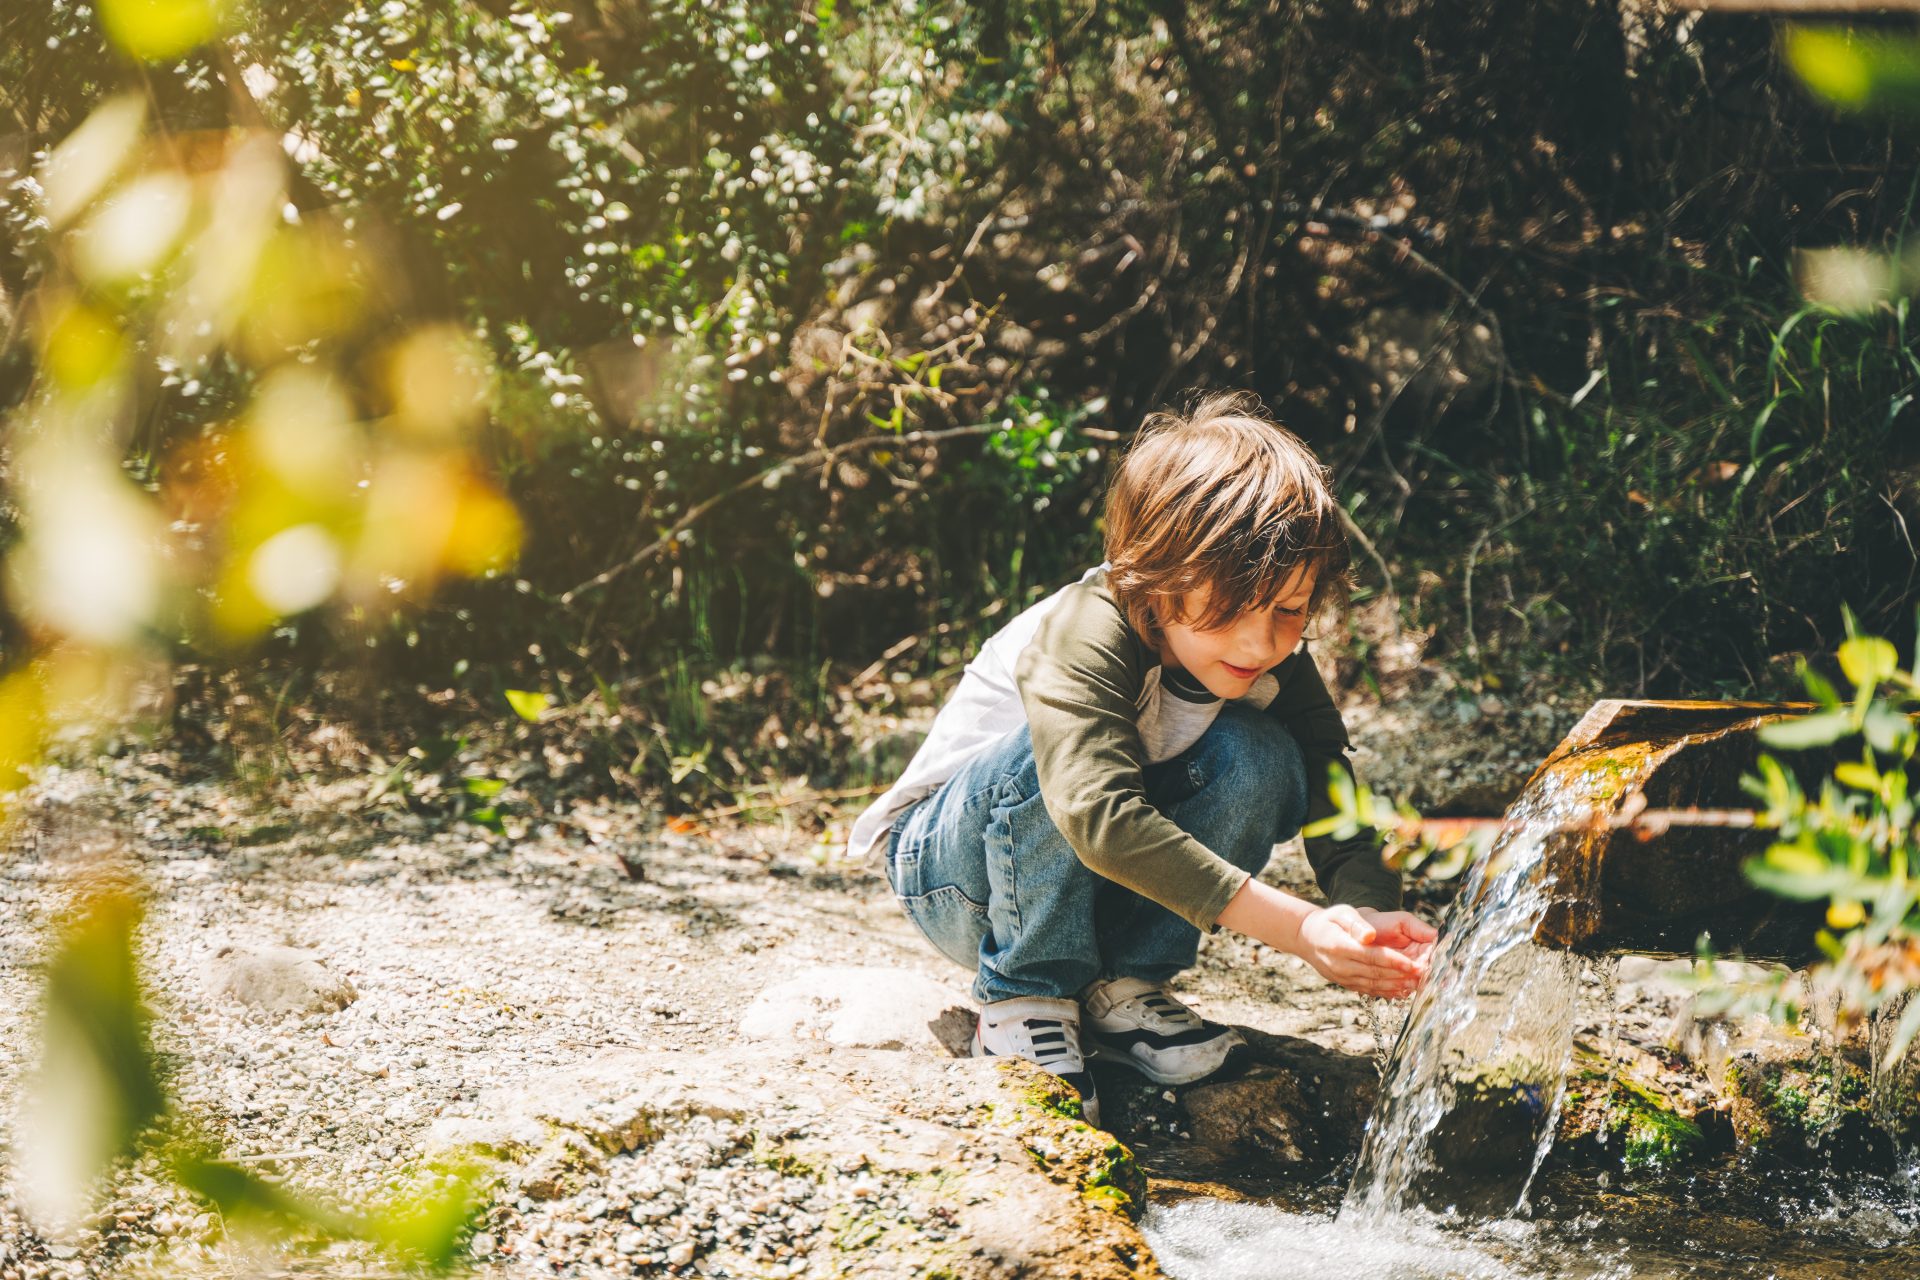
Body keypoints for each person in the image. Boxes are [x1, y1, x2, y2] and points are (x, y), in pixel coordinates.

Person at [847, 390, 1436, 1124]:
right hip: (956, 878)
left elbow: (1326, 781)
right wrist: (1301, 931)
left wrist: (1368, 916)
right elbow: (1097, 816)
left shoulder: (1273, 660)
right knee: (1057, 762)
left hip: (1091, 884)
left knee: (1265, 756)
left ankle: (1124, 987)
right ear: (1156, 577)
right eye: (1230, 606)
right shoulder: (1085, 632)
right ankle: (1024, 993)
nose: (1261, 642)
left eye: (1290, 609)